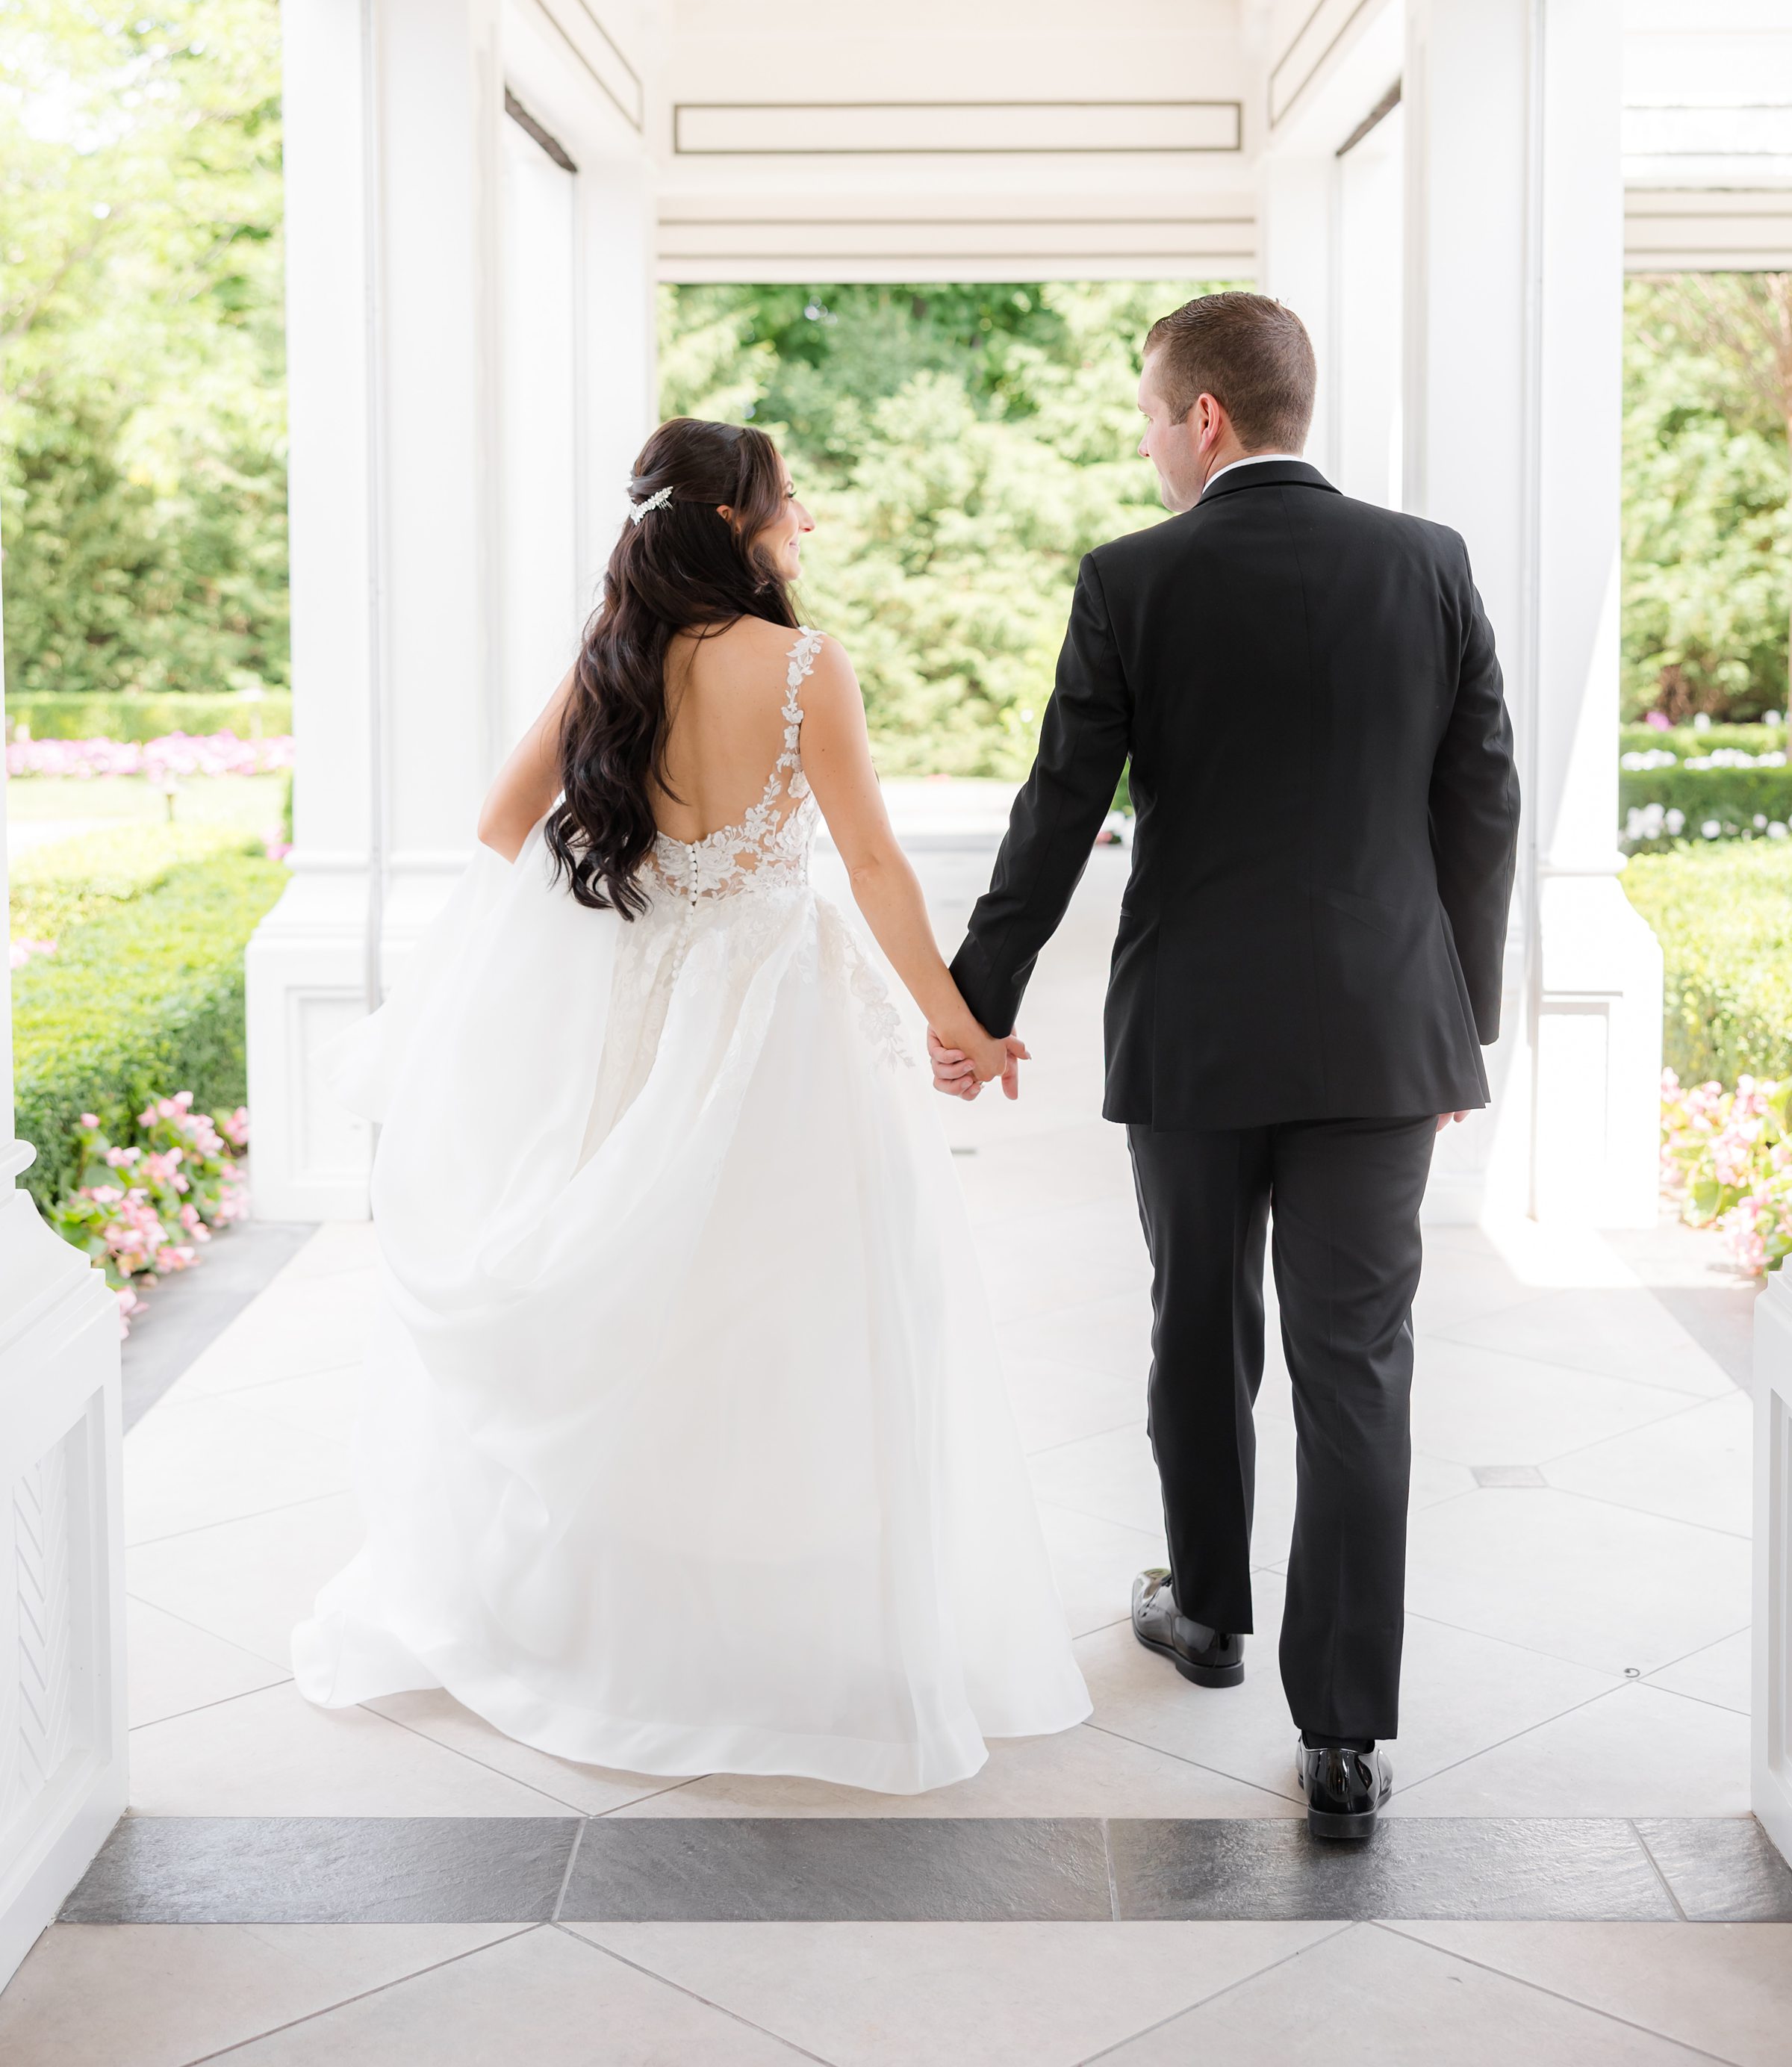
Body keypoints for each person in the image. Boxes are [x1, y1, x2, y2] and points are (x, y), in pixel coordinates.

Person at [293, 415, 1089, 1794]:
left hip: (644, 1019)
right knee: (806, 1314)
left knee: (647, 1308)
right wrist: (959, 1024)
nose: (809, 528)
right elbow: (880, 869)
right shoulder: (805, 668)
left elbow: (499, 826)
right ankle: (790, 1627)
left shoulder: (612, 662)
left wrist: (627, 904)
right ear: (736, 524)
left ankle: (636, 1629)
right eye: (792, 504)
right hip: (782, 1023)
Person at [930, 293, 1519, 1838]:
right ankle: (1342, 1734)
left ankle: (1204, 1613)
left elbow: (1058, 807)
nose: (1146, 443)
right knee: (1359, 1363)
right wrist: (1464, 1017)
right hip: (1386, 1033)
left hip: (1194, 1032)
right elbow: (1484, 803)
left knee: (1200, 1326)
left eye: (1147, 415)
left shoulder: (1135, 578)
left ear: (1202, 419)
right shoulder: (1429, 563)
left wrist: (974, 999)